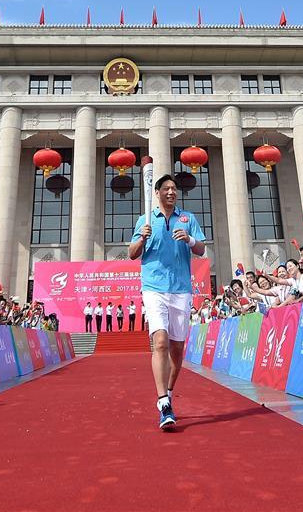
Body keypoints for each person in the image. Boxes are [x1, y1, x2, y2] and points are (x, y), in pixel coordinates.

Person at [130, 174, 206, 429]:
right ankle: (163, 402)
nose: (172, 192)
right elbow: (132, 254)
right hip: (154, 288)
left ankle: (169, 390)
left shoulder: (188, 218)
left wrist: (190, 239)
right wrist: (142, 237)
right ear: (158, 192)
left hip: (181, 289)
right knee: (160, 342)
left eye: (174, 188)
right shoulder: (145, 220)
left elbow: (201, 249)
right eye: (166, 188)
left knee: (177, 349)